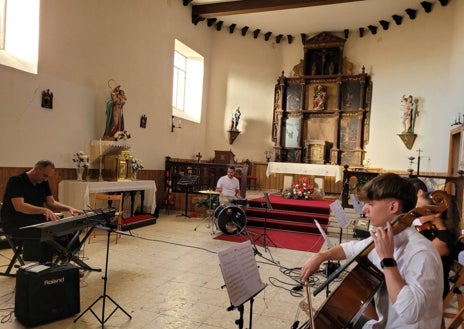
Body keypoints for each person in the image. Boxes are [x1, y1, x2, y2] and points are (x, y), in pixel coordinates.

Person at [300, 173, 443, 328]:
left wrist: (387, 261)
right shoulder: (386, 237)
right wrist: (321, 256)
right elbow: (351, 248)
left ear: (393, 207)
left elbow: (410, 313)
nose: (364, 209)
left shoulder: (422, 253)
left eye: (370, 204)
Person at [1, 160, 84, 263]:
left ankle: (65, 262)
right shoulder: (16, 181)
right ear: (36, 169)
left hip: (34, 219)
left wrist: (69, 208)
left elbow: (51, 202)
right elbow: (20, 206)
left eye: (48, 177)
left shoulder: (43, 182)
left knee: (68, 230)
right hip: (15, 221)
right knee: (48, 232)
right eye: (45, 175)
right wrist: (43, 210)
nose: (46, 179)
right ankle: (43, 265)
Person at [415, 191, 460, 298]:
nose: (417, 213)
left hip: (433, 289)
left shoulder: (443, 240)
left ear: (437, 213)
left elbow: (418, 260)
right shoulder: (429, 230)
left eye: (421, 209)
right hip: (422, 283)